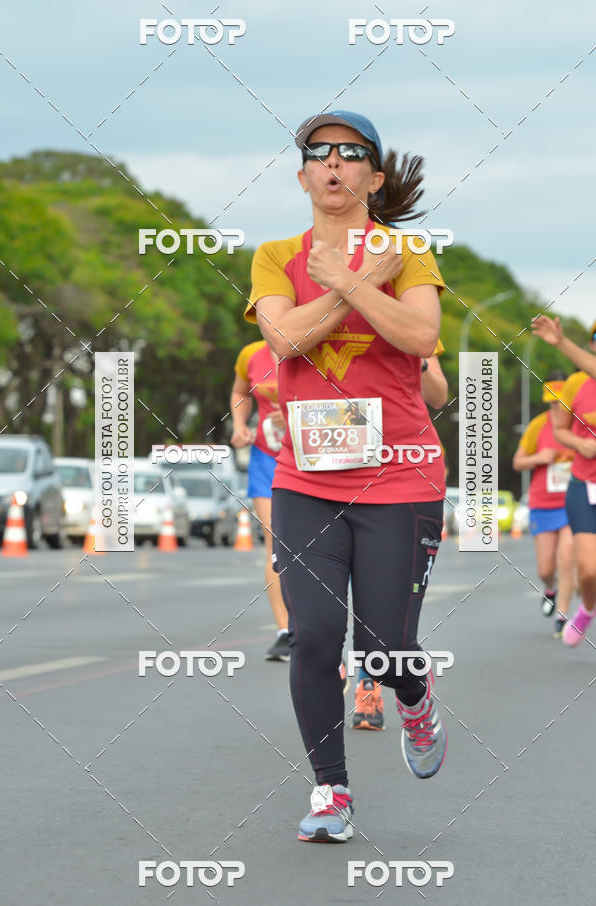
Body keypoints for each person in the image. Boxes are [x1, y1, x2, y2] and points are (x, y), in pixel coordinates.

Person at [244, 109, 447, 842]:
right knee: (317, 634)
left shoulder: (409, 252)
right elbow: (284, 336)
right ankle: (332, 792)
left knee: (385, 648)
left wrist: (358, 281)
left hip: (402, 477)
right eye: (319, 153)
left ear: (374, 175)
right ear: (303, 177)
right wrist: (355, 282)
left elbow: (422, 337)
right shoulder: (275, 255)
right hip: (307, 479)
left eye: (351, 152)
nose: (334, 163)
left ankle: (415, 701)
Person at [352, 341, 448, 730]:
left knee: (376, 608)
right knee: (321, 616)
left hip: (400, 473)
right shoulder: (305, 309)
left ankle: (383, 685)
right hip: (324, 470)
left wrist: (412, 350)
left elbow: (438, 395)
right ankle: (367, 692)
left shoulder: (410, 315)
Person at [532, 317, 596, 645]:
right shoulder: (575, 385)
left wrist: (560, 343)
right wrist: (580, 444)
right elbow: (559, 431)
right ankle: (585, 609)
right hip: (583, 486)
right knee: (586, 569)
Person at [230, 340, 290, 660]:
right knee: (277, 543)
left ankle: (318, 625)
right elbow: (240, 393)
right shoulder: (250, 353)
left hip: (311, 458)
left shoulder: (318, 346)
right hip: (266, 459)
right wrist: (240, 426)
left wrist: (295, 414)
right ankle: (285, 632)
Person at [512, 373, 575, 638]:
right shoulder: (538, 426)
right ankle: (550, 589)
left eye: (561, 403)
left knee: (567, 559)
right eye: (551, 403)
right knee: (546, 568)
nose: (556, 408)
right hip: (543, 504)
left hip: (573, 503)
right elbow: (517, 463)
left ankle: (562, 616)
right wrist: (538, 457)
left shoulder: (581, 425)